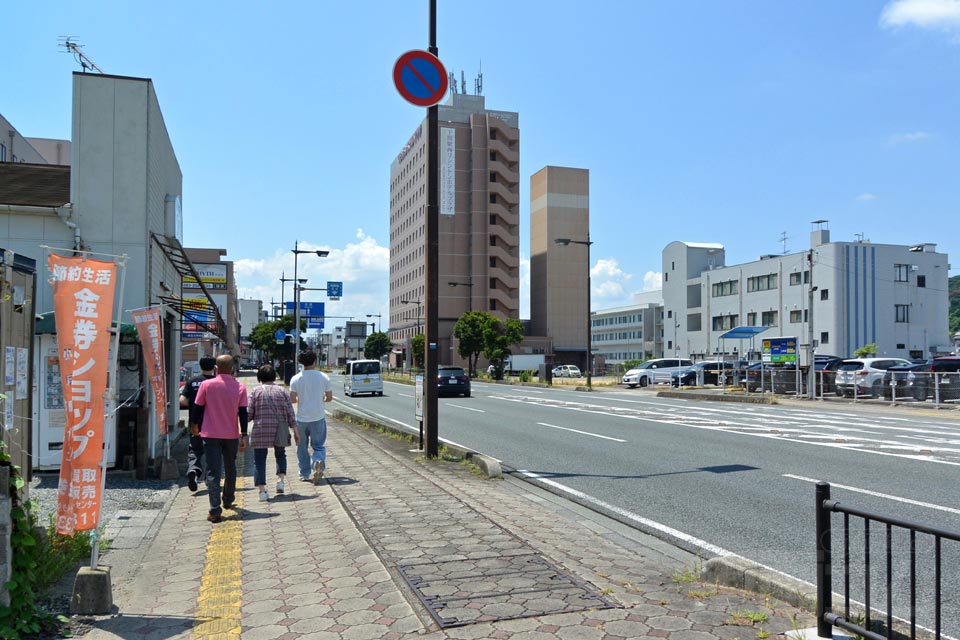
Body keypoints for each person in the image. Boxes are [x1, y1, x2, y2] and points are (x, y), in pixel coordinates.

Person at [194, 354, 249, 523]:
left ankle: (215, 509)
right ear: (232, 368)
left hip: (210, 435)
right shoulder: (240, 387)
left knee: (213, 471)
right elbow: (243, 414)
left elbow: (197, 409)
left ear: (216, 368)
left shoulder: (206, 385)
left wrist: (195, 427)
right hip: (231, 435)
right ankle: (228, 498)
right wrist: (244, 435)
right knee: (230, 467)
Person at [248, 364, 298, 502]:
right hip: (279, 429)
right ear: (274, 376)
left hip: (260, 430)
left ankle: (262, 492)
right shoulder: (282, 391)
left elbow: (249, 414)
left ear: (259, 378)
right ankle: (280, 482)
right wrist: (296, 431)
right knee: (281, 454)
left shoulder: (255, 391)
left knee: (259, 460)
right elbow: (290, 413)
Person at [289, 350, 333, 485]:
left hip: (301, 418)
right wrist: (321, 399)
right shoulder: (324, 377)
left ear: (301, 362)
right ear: (315, 360)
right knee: (318, 445)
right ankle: (317, 461)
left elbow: (293, 400)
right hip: (318, 417)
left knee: (301, 447)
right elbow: (329, 398)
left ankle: (304, 473)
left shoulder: (295, 378)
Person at [180, 357, 217, 493]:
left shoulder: (192, 381)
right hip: (212, 423)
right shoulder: (216, 382)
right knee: (211, 451)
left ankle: (194, 471)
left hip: (194, 422)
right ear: (214, 366)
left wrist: (195, 405)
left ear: (200, 366)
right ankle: (209, 478)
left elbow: (182, 399)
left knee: (195, 450)